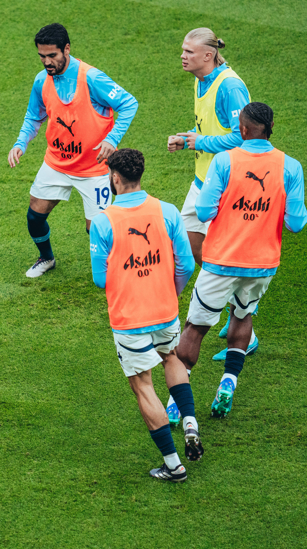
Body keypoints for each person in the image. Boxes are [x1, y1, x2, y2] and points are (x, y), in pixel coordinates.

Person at [175, 103, 307, 419]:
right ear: (272, 125)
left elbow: (204, 212)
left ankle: (177, 402)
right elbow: (296, 223)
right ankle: (229, 382)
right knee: (243, 313)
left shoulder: (224, 161)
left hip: (222, 261)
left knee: (196, 327)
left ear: (243, 131)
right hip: (262, 265)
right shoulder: (291, 167)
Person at [89, 149, 202, 482]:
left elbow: (100, 278)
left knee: (144, 387)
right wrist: (171, 292)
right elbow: (187, 264)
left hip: (129, 320)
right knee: (172, 359)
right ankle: (191, 424)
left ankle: (173, 465)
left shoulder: (103, 221)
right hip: (165, 311)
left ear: (115, 178)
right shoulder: (166, 211)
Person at [7, 23, 138, 278]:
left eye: (52, 56)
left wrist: (112, 139)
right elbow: (34, 117)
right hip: (57, 163)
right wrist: (20, 143)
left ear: (67, 49)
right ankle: (46, 258)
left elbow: (129, 103)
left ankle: (123, 265)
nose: (47, 62)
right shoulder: (41, 81)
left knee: (98, 229)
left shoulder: (91, 78)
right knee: (35, 216)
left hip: (95, 169)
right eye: (42, 56)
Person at [166, 27, 256, 363]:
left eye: (189, 51)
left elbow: (245, 138)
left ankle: (244, 322)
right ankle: (238, 308)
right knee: (193, 245)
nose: (183, 56)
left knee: (219, 257)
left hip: (228, 185)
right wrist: (189, 138)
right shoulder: (201, 79)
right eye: (182, 50)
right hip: (204, 180)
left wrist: (197, 142)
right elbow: (209, 128)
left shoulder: (230, 86)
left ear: (208, 54)